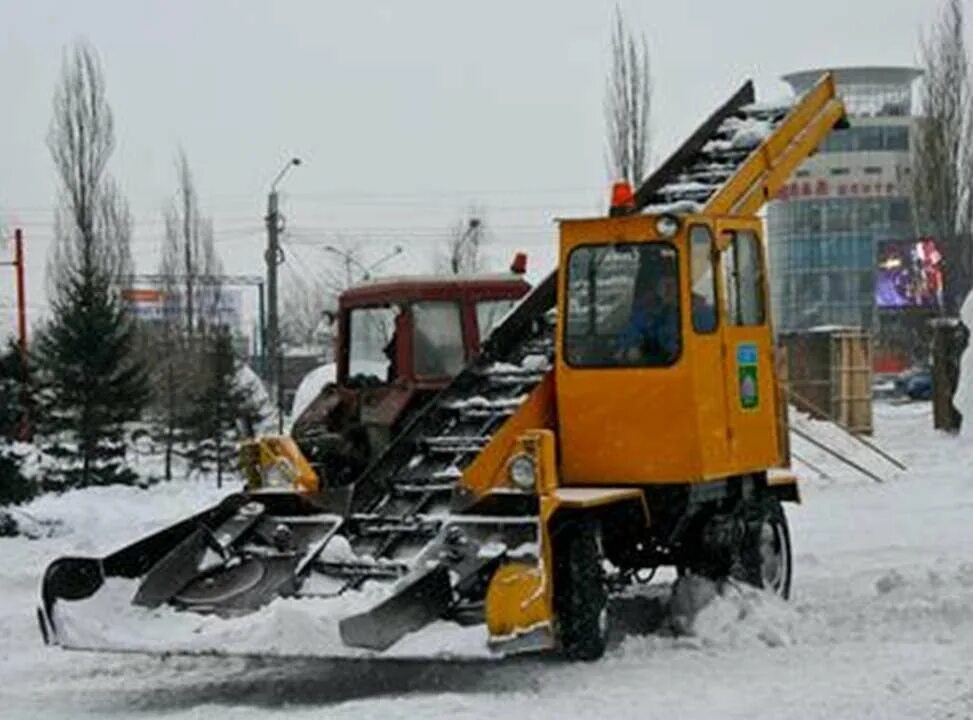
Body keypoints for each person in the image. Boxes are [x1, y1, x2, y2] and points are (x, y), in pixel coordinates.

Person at [616, 274, 680, 363]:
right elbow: (631, 333)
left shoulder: (695, 311)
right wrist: (628, 349)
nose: (668, 290)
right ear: (657, 288)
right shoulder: (646, 313)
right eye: (665, 285)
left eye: (671, 285)